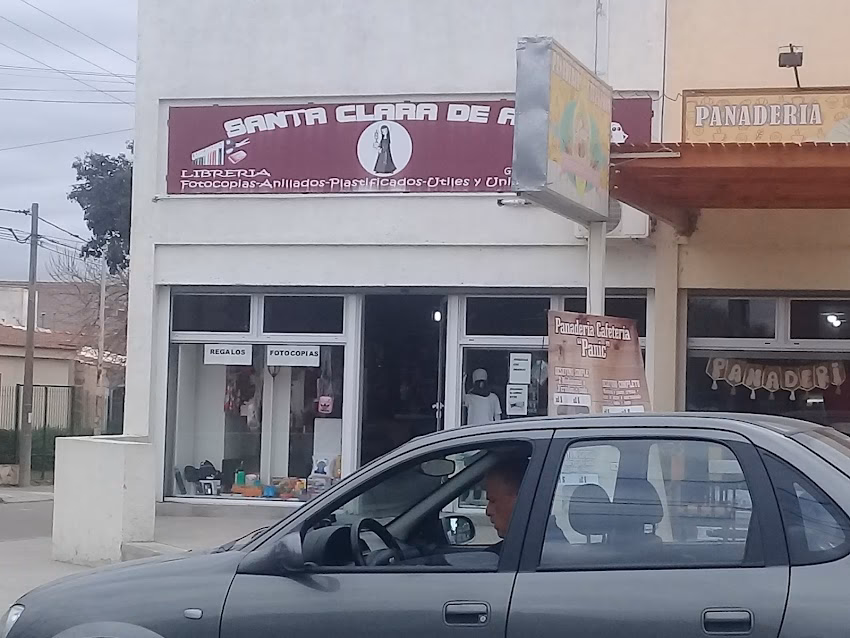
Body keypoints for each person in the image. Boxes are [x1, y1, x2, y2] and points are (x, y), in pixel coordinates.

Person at [485, 455, 568, 543]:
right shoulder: (544, 542)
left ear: (522, 499)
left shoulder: (543, 548)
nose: (488, 511)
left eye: (493, 501)